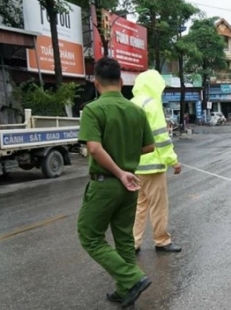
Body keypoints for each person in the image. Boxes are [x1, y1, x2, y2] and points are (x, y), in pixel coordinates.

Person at [77, 57, 154, 307]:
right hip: (130, 184)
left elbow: (95, 148)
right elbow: (149, 146)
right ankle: (124, 290)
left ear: (96, 83)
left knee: (89, 236)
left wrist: (119, 171)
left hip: (106, 183)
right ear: (121, 82)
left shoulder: (93, 109)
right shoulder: (136, 110)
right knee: (124, 239)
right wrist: (126, 160)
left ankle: (132, 279)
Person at [131, 69, 182, 254]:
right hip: (153, 167)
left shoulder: (130, 104)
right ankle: (162, 241)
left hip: (133, 167)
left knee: (139, 207)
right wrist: (173, 161)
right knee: (158, 207)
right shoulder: (152, 105)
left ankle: (133, 243)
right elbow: (160, 137)